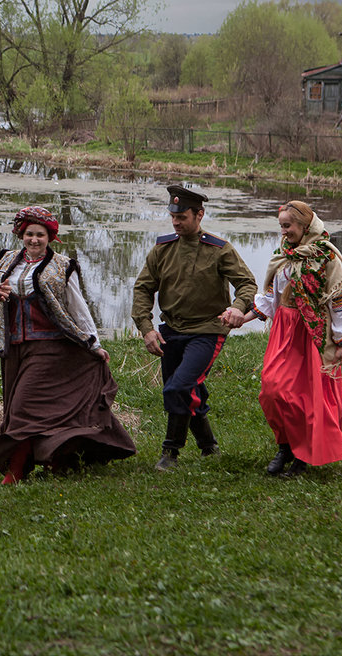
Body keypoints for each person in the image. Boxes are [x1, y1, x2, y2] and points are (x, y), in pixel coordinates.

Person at [0, 207, 136, 483]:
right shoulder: (6, 260)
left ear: (50, 237)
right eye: (29, 234)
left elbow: (77, 308)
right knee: (20, 409)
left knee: (23, 407)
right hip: (14, 349)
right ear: (21, 235)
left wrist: (93, 343)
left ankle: (16, 470)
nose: (34, 240)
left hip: (51, 349)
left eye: (40, 235)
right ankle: (55, 460)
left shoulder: (61, 266)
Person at [131, 185, 257, 471]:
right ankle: (208, 447)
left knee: (179, 386)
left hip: (207, 331)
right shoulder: (162, 249)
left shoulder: (219, 249)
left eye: (182, 217)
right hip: (171, 330)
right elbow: (143, 288)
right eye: (173, 216)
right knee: (186, 388)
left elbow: (247, 284)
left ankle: (170, 453)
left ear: (199, 215)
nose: (176, 222)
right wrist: (147, 327)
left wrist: (238, 308)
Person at [238, 201, 342, 477]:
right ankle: (285, 445)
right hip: (284, 331)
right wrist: (244, 317)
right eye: (282, 226)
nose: (284, 231)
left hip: (311, 334)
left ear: (304, 225)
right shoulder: (283, 254)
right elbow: (270, 297)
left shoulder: (326, 257)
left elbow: (339, 300)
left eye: (288, 226)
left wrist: (340, 342)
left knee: (302, 398)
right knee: (272, 391)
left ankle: (301, 455)